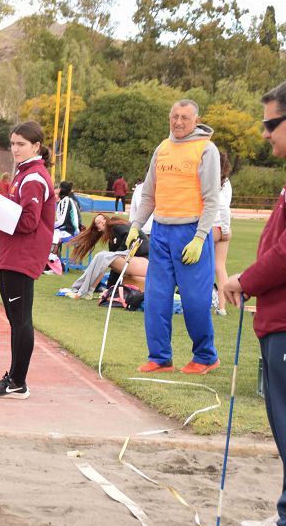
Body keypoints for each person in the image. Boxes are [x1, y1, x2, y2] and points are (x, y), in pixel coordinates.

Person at [223, 81, 286, 526]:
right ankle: (284, 518)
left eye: (271, 124)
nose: (264, 134)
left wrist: (244, 278)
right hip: (275, 317)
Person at [128, 100, 221, 374]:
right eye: (174, 117)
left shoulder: (206, 149)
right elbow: (148, 195)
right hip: (160, 232)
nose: (178, 122)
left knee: (195, 300)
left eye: (184, 117)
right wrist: (136, 225)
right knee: (156, 297)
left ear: (196, 120)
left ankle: (205, 356)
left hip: (191, 233)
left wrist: (200, 237)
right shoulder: (162, 148)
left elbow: (211, 199)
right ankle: (160, 357)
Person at [0, 122, 55, 400]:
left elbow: (27, 221)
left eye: (21, 144)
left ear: (36, 146)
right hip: (13, 254)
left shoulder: (34, 177)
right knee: (16, 320)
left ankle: (17, 381)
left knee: (21, 320)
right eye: (12, 143)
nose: (15, 149)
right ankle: (14, 378)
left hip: (22, 257)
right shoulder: (24, 174)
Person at [65, 213, 149, 299]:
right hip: (136, 262)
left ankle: (85, 291)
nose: (101, 222)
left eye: (103, 219)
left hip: (146, 260)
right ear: (98, 229)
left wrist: (119, 252)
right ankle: (88, 291)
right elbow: (113, 269)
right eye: (98, 222)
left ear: (107, 219)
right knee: (102, 257)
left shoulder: (117, 225)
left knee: (103, 256)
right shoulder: (111, 240)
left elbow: (128, 236)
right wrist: (109, 289)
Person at [213, 151, 233, 316]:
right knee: (220, 267)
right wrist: (226, 229)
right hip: (222, 226)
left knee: (204, 267)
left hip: (211, 226)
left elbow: (222, 207)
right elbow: (227, 207)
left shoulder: (211, 180)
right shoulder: (227, 183)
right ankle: (222, 307)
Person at [52, 181, 81, 253]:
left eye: (58, 188)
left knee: (52, 236)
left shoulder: (66, 201)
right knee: (51, 234)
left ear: (61, 189)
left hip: (72, 231)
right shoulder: (64, 201)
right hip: (67, 229)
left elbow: (62, 221)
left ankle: (52, 258)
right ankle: (53, 258)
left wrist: (51, 226)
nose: (57, 191)